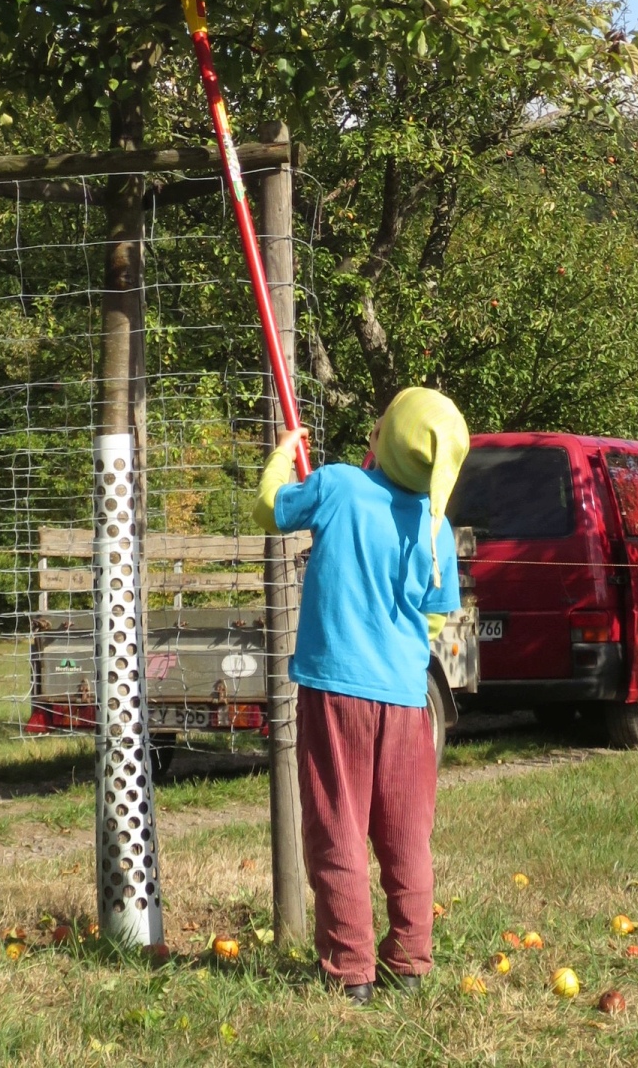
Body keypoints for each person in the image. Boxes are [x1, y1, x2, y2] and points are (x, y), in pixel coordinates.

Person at [252, 386, 469, 1003]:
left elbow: (269, 510)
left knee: (338, 825)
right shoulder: (436, 525)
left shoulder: (339, 486)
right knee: (405, 833)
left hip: (333, 690)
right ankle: (411, 959)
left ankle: (351, 971)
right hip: (406, 700)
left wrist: (285, 451)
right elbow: (433, 618)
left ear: (381, 441)